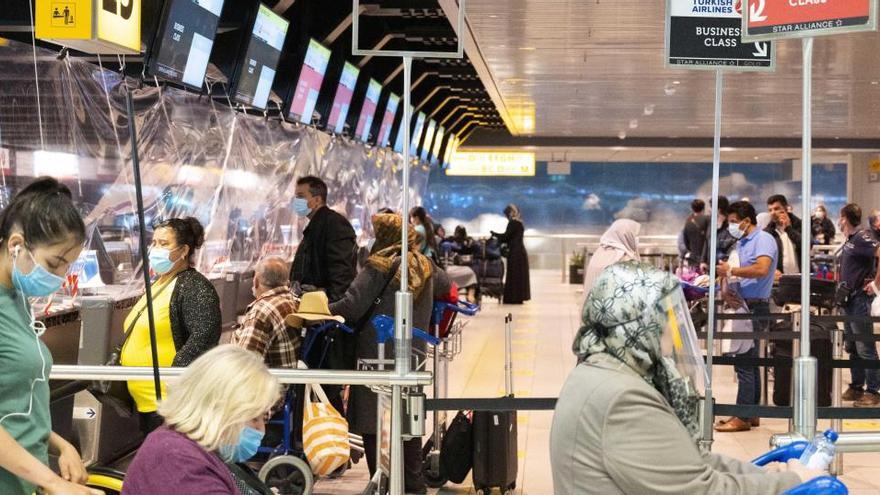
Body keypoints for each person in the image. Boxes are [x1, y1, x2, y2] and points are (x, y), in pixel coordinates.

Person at [550, 262, 820, 495]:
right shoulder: (624, 399)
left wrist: (767, 476)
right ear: (639, 321)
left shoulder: (603, 371)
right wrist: (793, 482)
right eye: (667, 313)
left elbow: (690, 463)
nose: (676, 324)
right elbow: (700, 489)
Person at [329, 213, 451, 494]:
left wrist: (323, 307)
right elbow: (447, 287)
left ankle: (381, 481)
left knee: (373, 419)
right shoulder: (423, 263)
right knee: (408, 417)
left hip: (377, 353)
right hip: (413, 354)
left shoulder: (379, 265)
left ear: (384, 236)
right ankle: (413, 483)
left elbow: (352, 306)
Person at [0, 178, 100, 495]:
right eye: (54, 263)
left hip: (26, 477)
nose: (58, 278)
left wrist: (59, 444)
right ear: (17, 245)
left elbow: (16, 404)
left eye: (66, 268)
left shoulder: (16, 298)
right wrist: (52, 481)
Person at [122, 345, 281, 494]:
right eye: (254, 418)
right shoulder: (178, 461)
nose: (262, 429)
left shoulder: (193, 448)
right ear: (219, 409)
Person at [121, 217, 221, 435]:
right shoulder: (160, 283)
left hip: (171, 404)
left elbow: (204, 336)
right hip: (148, 402)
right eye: (154, 243)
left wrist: (176, 379)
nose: (155, 249)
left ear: (184, 250)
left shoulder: (194, 286)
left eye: (164, 244)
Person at [715, 201, 778, 432]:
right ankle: (752, 413)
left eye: (733, 222)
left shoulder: (763, 240)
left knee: (745, 363)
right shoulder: (741, 242)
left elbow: (761, 269)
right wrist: (725, 285)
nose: (731, 226)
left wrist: (731, 272)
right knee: (750, 363)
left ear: (746, 221)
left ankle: (742, 416)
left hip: (754, 307)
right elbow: (730, 270)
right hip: (742, 304)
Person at [836, 204, 880, 407]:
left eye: (840, 217)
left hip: (860, 300)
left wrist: (875, 283)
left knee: (865, 347)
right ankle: (856, 386)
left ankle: (873, 390)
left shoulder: (863, 237)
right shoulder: (851, 240)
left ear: (844, 218)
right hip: (848, 299)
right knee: (852, 345)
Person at [289, 176, 356, 303]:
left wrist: (330, 305)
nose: (296, 201)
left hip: (323, 309)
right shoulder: (315, 225)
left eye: (301, 196)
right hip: (311, 303)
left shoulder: (334, 224)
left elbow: (342, 273)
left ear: (317, 200)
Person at [232, 257, 300, 369]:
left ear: (256, 281)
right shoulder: (294, 301)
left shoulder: (261, 311)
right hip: (292, 380)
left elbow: (244, 364)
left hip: (270, 383)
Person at [583, 219, 640, 298]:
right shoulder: (624, 259)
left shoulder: (599, 252)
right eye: (635, 235)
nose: (636, 238)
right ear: (627, 235)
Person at [491, 204, 531, 304]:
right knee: (519, 275)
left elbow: (505, 237)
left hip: (515, 252)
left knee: (514, 275)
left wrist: (494, 234)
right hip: (520, 251)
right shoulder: (519, 223)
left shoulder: (512, 223)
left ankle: (513, 297)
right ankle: (519, 297)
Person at [765, 195, 802, 277]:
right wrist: (771, 269)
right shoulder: (768, 232)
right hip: (779, 280)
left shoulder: (800, 225)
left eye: (776, 209)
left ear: (785, 208)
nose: (773, 213)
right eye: (770, 210)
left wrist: (789, 229)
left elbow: (807, 245)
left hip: (801, 278)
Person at [701, 195, 736, 270]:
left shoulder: (731, 226)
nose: (708, 209)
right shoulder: (711, 223)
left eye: (710, 206)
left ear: (718, 209)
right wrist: (703, 261)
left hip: (724, 268)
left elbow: (731, 248)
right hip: (710, 267)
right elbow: (707, 241)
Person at [681, 199, 710, 268]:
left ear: (692, 208)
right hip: (705, 258)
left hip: (693, 257)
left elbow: (685, 239)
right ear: (703, 208)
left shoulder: (688, 221)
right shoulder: (707, 219)